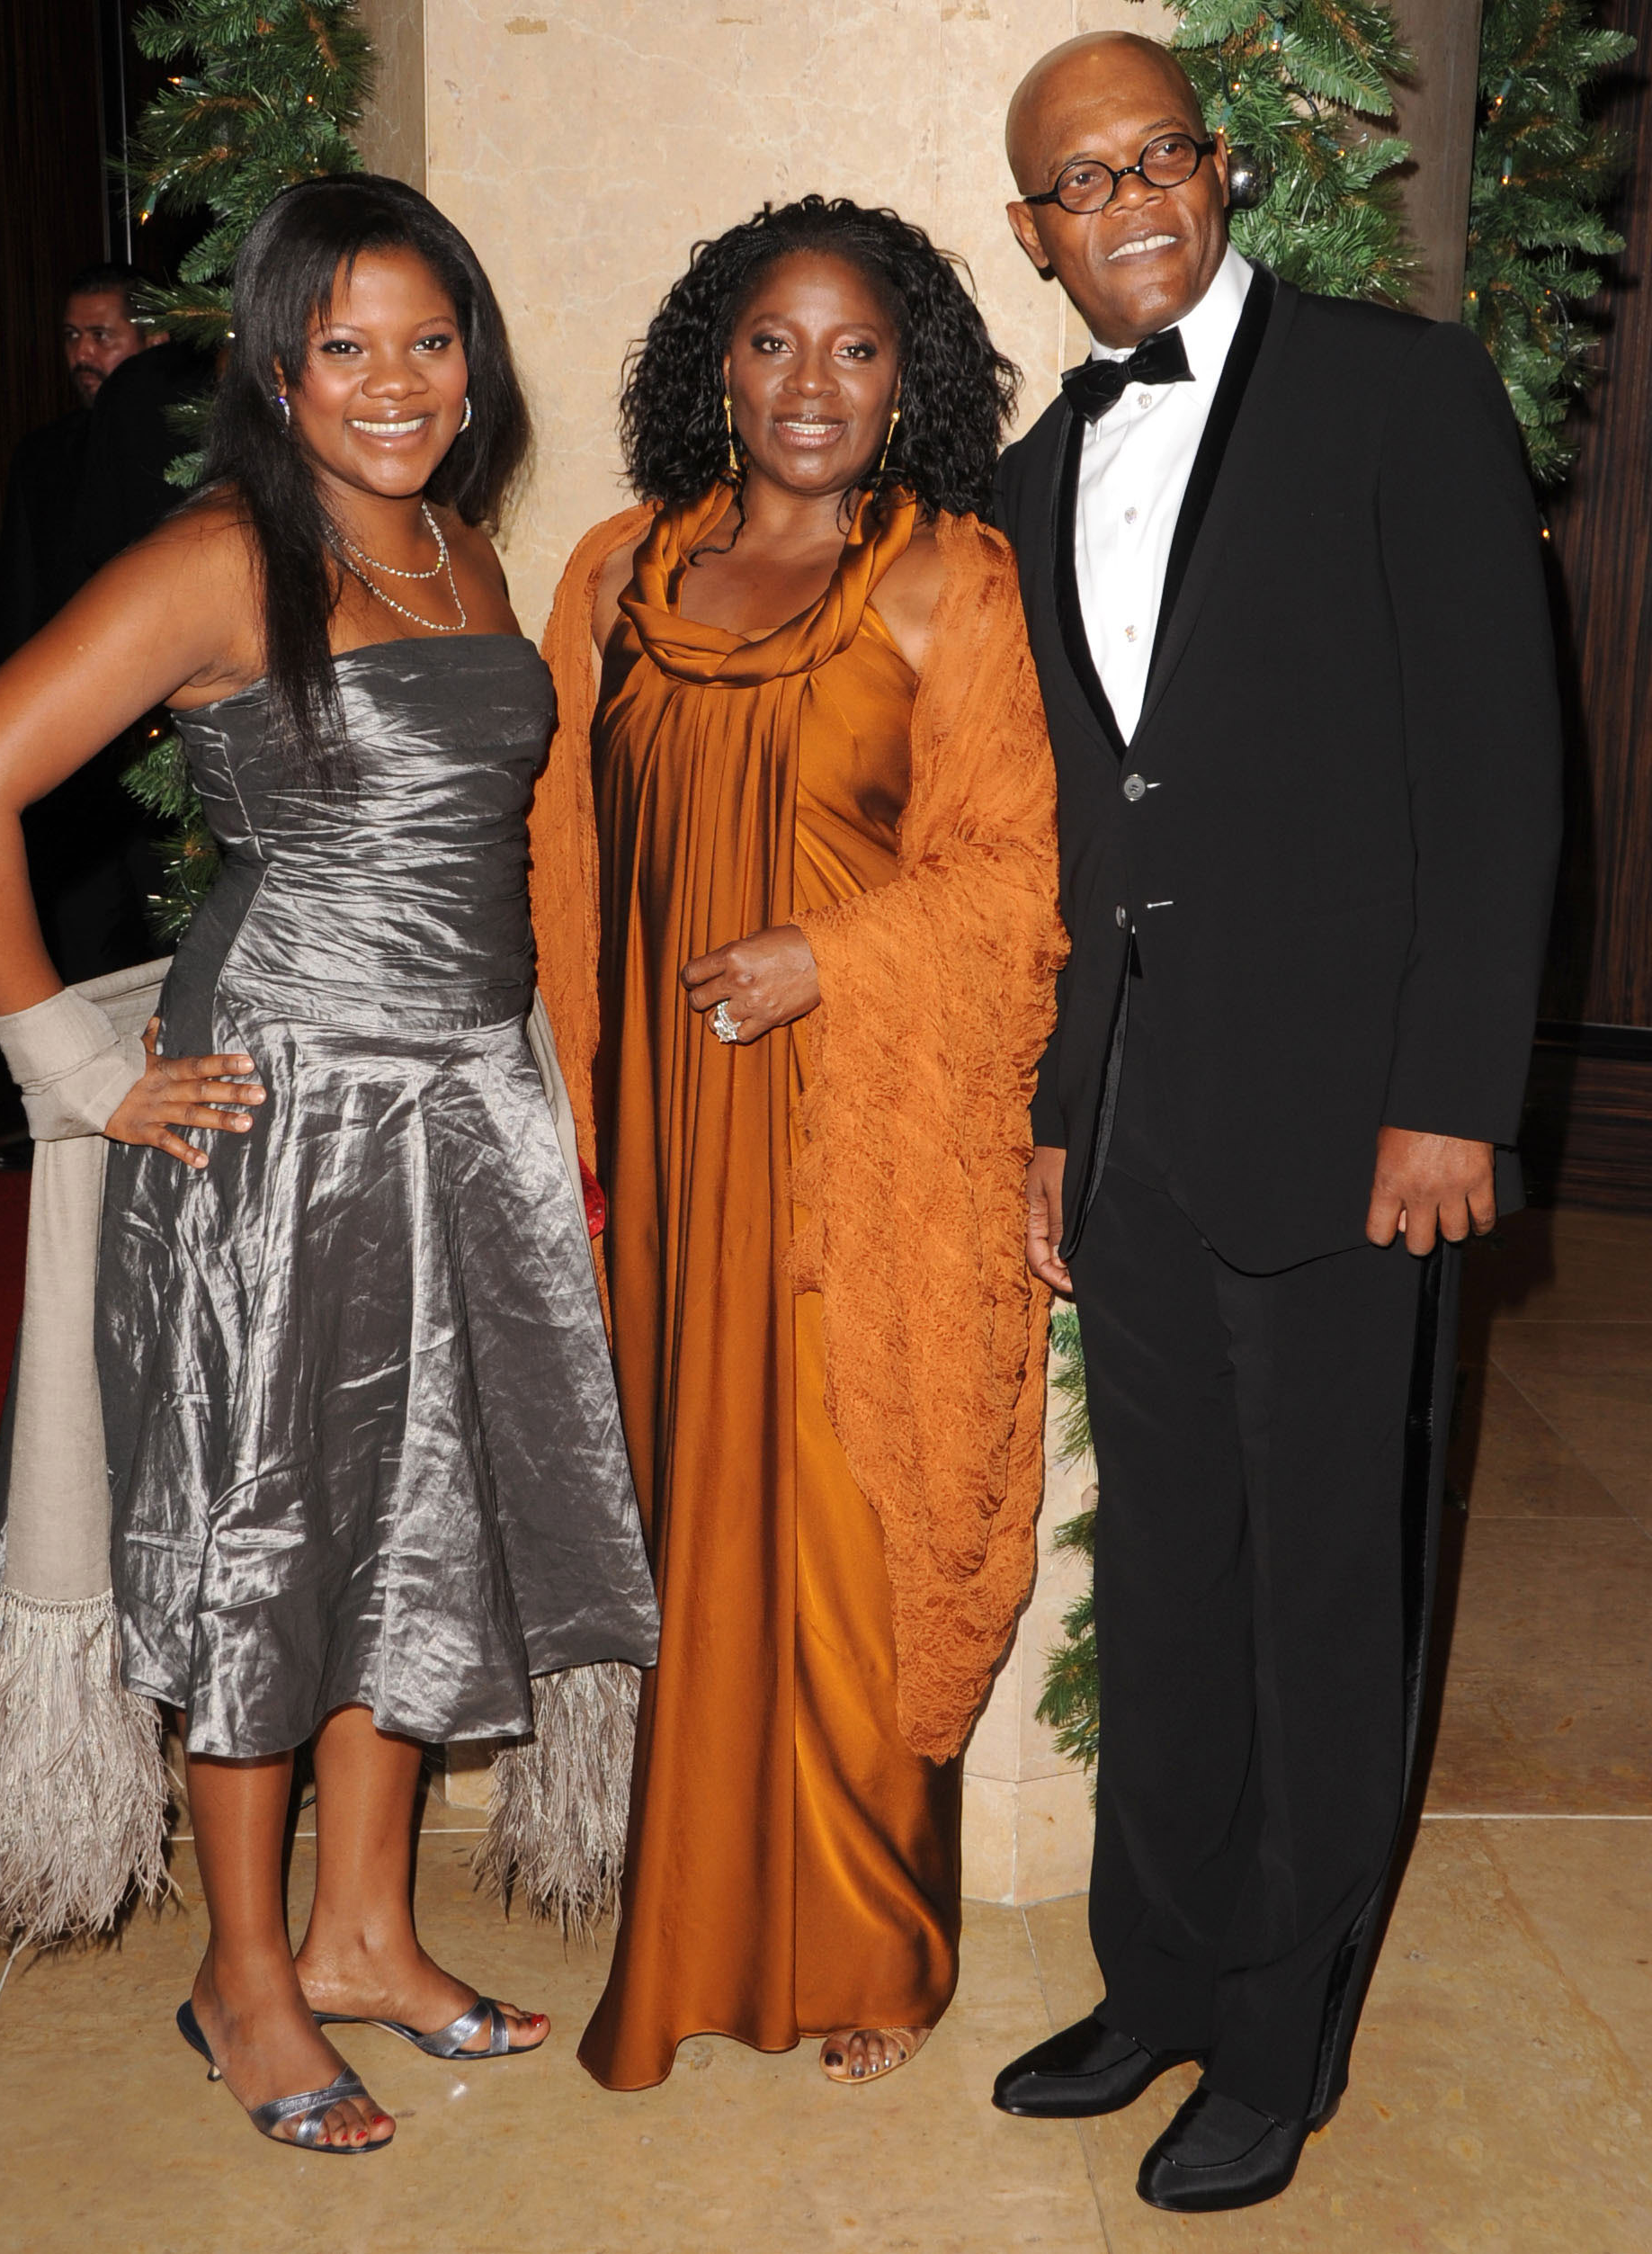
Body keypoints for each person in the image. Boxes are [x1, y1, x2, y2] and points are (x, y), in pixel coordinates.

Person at [0, 174, 657, 2152]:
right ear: (277, 366)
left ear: (476, 356)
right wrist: (71, 1060)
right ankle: (246, 1970)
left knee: (420, 1507)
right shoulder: (222, 556)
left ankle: (365, 1927)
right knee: (269, 1527)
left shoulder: (458, 545)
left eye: (429, 338)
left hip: (473, 1103)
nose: (396, 382)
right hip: (283, 1117)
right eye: (346, 344)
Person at [987, 33, 1562, 2214]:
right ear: (1031, 232)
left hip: (1352, 1132)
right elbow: (1082, 845)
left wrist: (1447, 1102)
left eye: (1156, 160)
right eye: (1077, 182)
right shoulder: (1043, 474)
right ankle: (1162, 1974)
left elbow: (1503, 781)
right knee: (1171, 1566)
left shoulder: (1399, 392)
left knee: (1325, 1583)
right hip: (1136, 1129)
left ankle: (1287, 2025)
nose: (1127, 203)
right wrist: (1063, 1115)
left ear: (1216, 175)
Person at [530, 195, 1065, 2091]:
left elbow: (1019, 882)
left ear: (909, 373)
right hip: (660, 1156)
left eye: (856, 347)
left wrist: (828, 953)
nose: (810, 384)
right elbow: (554, 875)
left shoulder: (957, 583)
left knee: (849, 1541)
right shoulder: (611, 573)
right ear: (714, 364)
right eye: (771, 343)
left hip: (863, 1154)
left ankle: (869, 1942)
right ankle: (680, 1939)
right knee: (689, 1540)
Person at [0, 265, 168, 1011]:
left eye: (103, 334)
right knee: (89, 970)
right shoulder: (42, 457)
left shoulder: (191, 451)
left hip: (175, 762)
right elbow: (21, 602)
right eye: (72, 336)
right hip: (74, 766)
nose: (83, 353)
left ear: (155, 342)